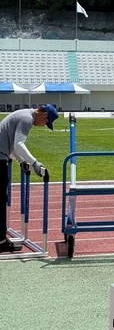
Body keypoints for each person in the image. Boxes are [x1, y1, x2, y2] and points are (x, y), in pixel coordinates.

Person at [0, 104, 58, 253]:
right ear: (44, 115)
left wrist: (23, 161)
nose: (43, 126)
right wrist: (34, 163)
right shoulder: (27, 118)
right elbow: (19, 144)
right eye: (46, 123)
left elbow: (12, 147)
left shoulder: (22, 113)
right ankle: (1, 241)